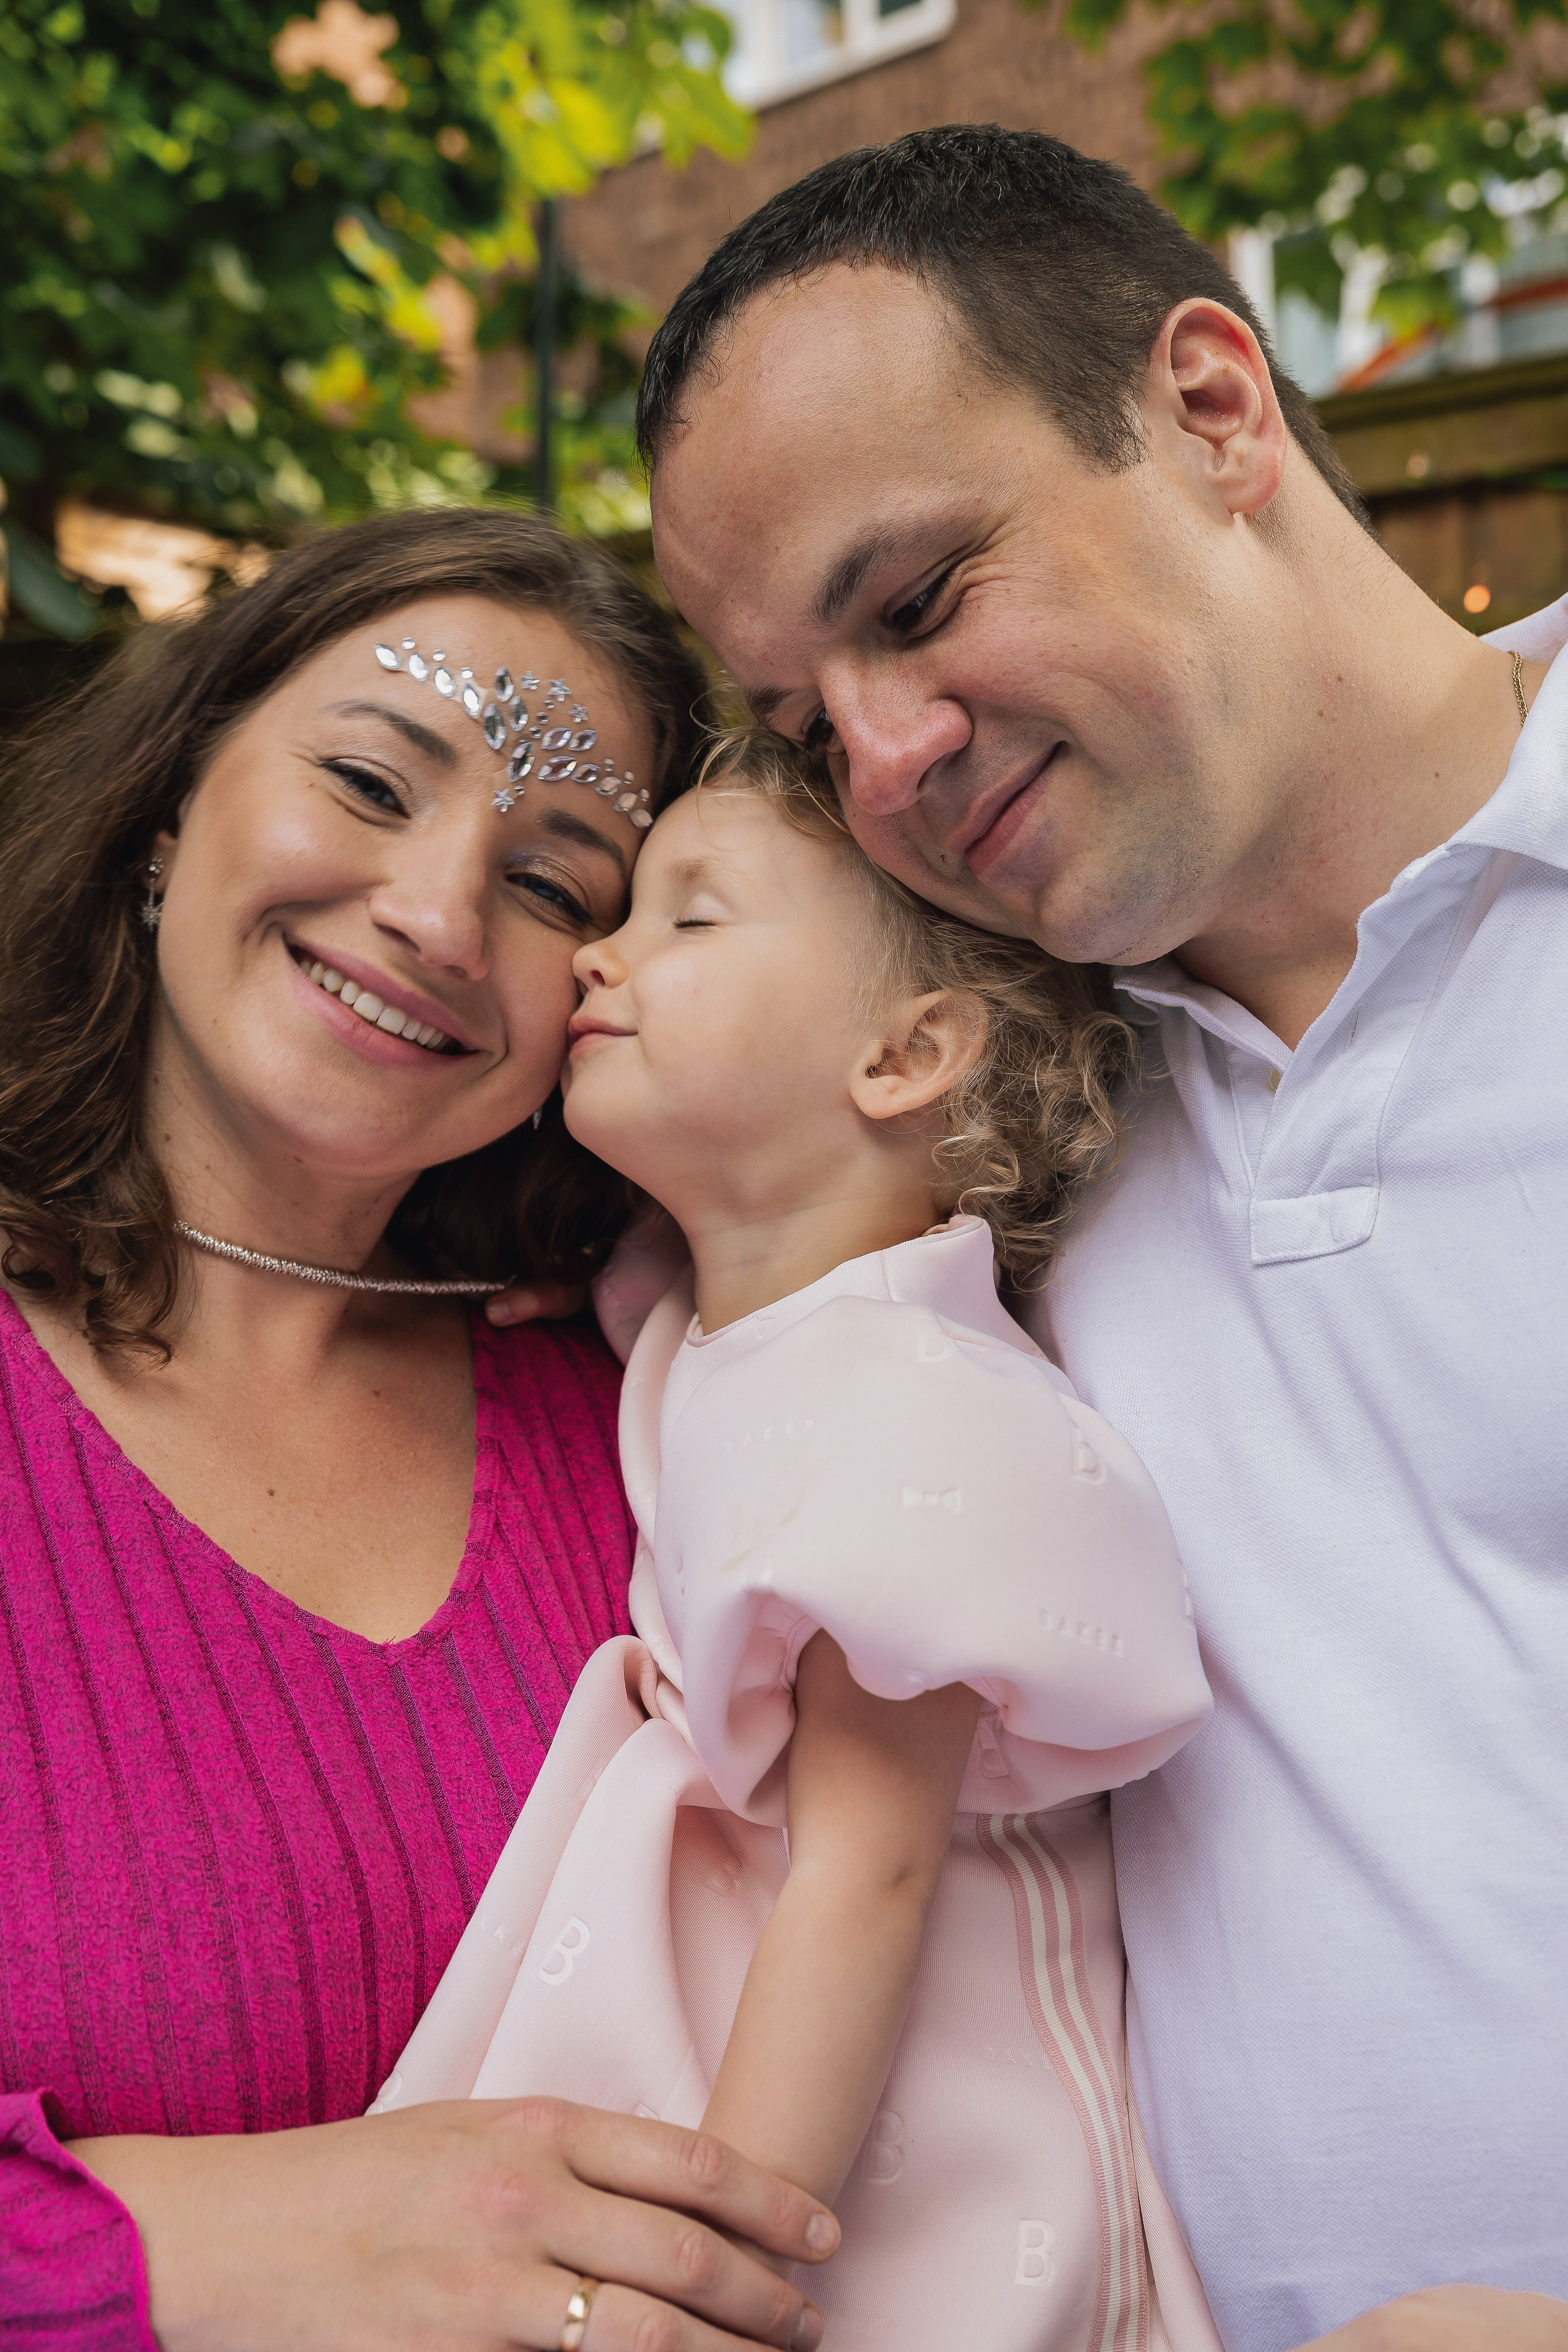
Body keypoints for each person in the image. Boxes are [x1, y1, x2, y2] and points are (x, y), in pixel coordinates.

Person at [619, 125, 1568, 2352]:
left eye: (917, 600)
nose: (884, 760)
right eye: (797, 721)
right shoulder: (978, 1124)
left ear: (1214, 410)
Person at [0, 508, 840, 2352]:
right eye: (372, 784)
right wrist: (173, 2245)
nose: (442, 918)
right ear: (171, 803)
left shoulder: (662, 1425)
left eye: (556, 886)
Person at [373, 747, 1219, 2351]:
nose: (601, 956)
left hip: (896, 2151)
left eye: (691, 919)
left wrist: (716, 2263)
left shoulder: (916, 1404)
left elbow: (866, 1870)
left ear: (905, 1055)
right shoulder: (711, 1307)